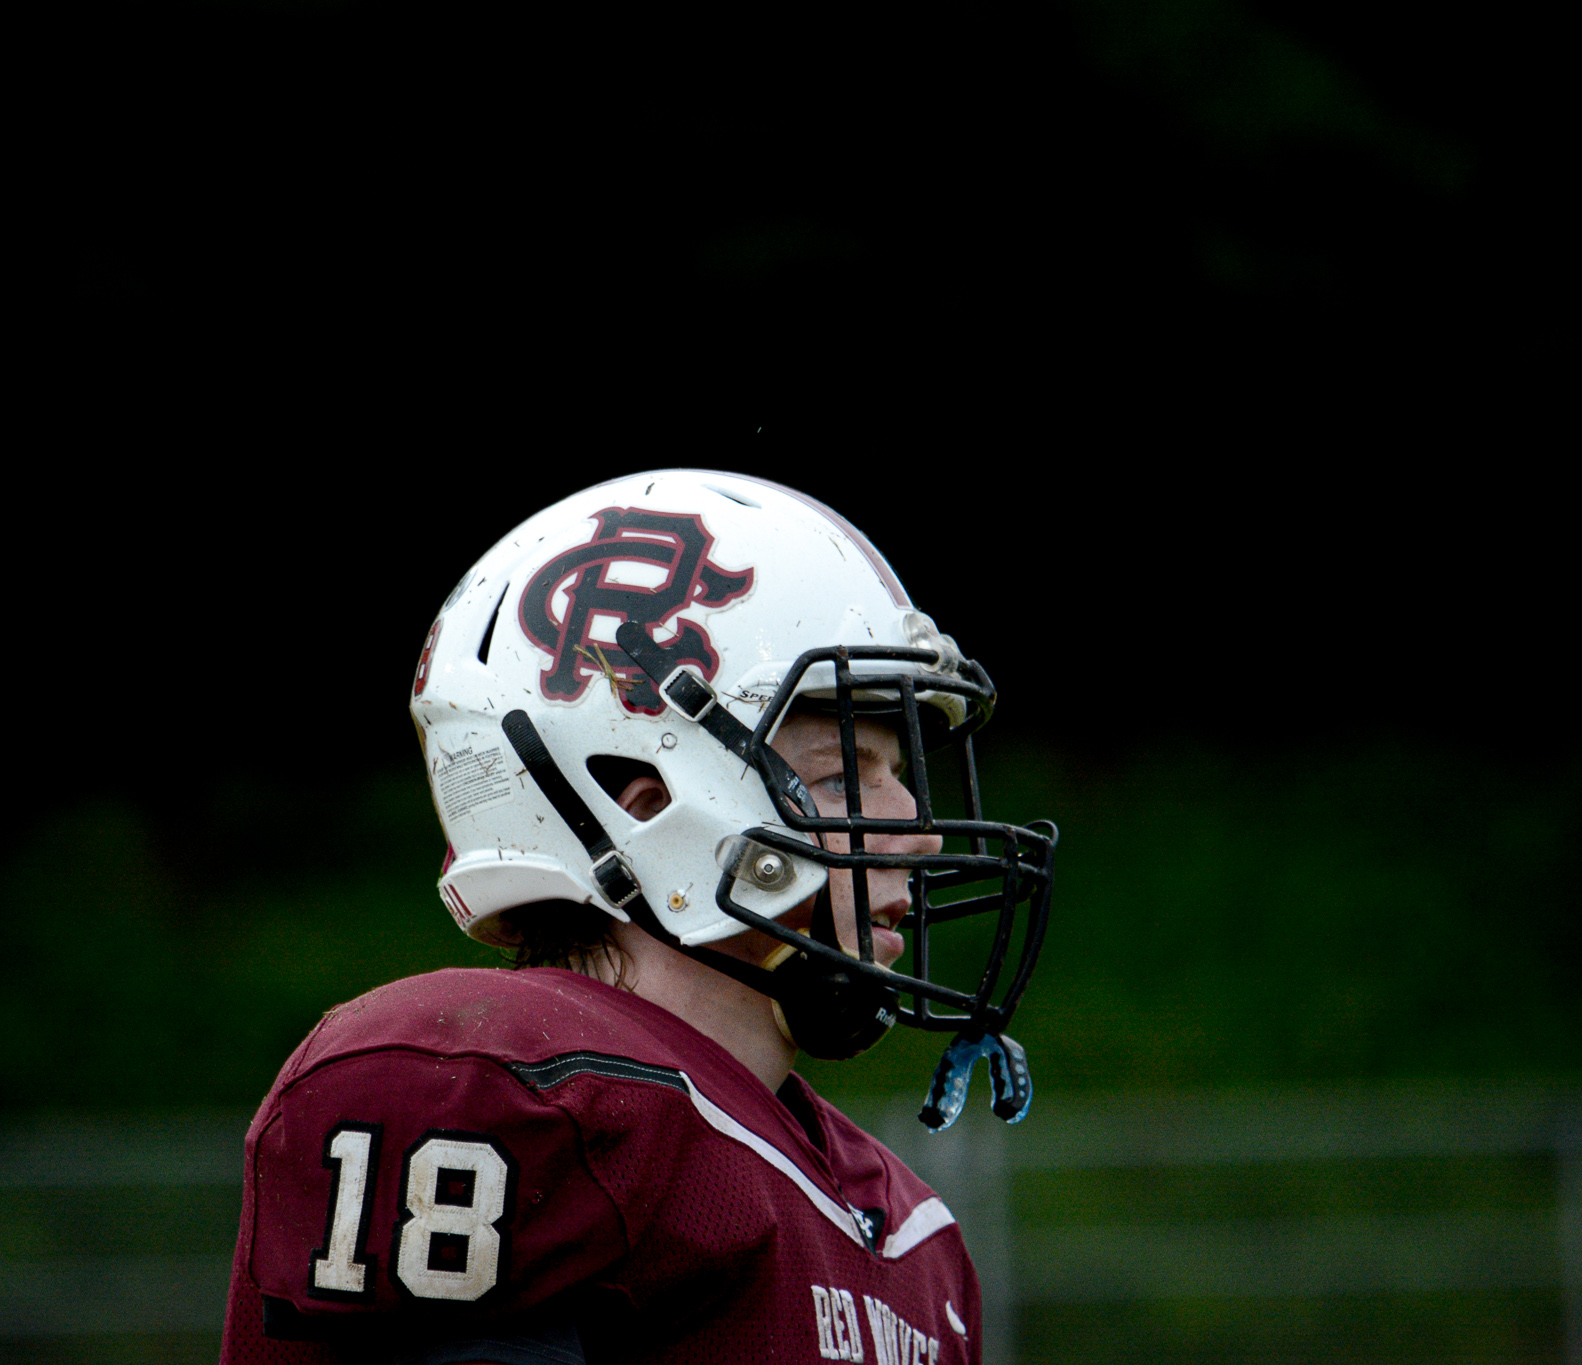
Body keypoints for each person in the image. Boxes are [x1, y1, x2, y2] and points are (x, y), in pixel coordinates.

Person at [218, 471, 1055, 1365]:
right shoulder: (512, 1099)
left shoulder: (910, 1230)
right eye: (845, 776)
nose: (920, 834)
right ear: (650, 806)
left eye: (903, 773)